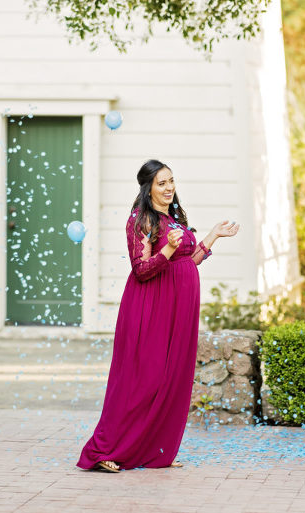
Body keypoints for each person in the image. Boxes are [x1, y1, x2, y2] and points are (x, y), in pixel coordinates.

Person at [76, 159, 240, 472]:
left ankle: (153, 451)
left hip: (178, 310)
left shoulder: (174, 217)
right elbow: (141, 269)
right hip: (150, 308)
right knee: (141, 382)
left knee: (171, 379)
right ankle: (104, 451)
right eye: (161, 183)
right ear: (148, 186)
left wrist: (213, 236)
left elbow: (188, 260)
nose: (168, 188)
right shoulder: (141, 220)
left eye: (171, 181)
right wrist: (165, 250)